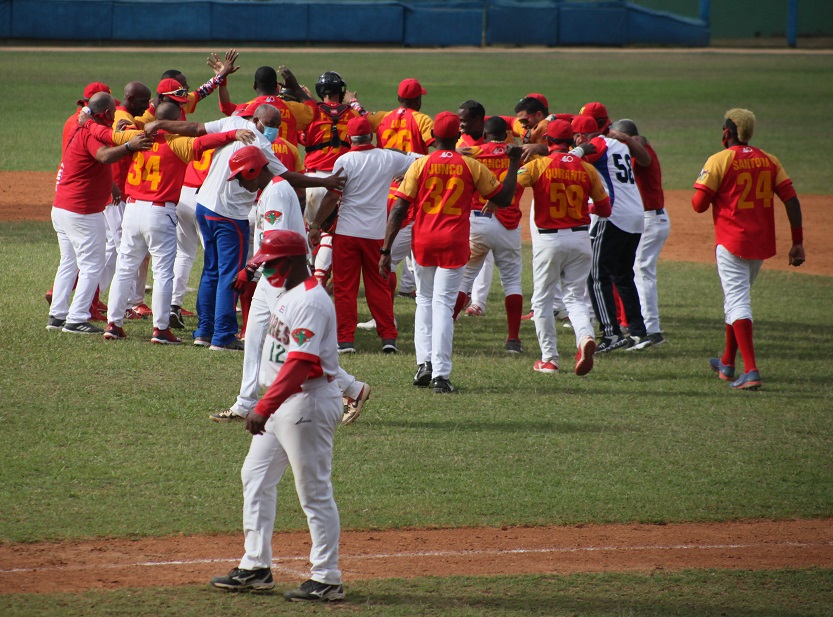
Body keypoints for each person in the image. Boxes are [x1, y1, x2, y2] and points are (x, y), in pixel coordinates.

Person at [209, 230, 346, 602]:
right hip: (282, 402)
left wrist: (263, 406)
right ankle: (256, 567)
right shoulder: (290, 295)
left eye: (271, 264)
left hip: (306, 404)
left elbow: (302, 364)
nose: (266, 270)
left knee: (313, 491)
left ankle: (327, 578)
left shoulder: (312, 302)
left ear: (292, 262)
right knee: (254, 476)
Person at [148, 105, 344, 351]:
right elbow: (286, 177)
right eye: (270, 123)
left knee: (211, 270)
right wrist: (324, 181)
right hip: (230, 215)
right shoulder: (261, 145)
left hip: (205, 206)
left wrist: (161, 124)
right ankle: (223, 336)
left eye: (276, 125)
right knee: (230, 274)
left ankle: (204, 331)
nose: (272, 130)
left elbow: (195, 128)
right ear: (256, 119)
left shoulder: (233, 124)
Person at [210, 148, 370, 426]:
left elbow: (276, 241)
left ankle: (353, 389)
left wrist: (249, 268)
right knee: (256, 339)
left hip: (285, 276)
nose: (238, 182)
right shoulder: (271, 189)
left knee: (296, 340)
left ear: (252, 170)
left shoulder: (277, 193)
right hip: (271, 275)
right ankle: (245, 403)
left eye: (239, 176)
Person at [88, 102, 254, 343]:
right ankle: (161, 328)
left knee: (124, 269)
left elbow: (105, 134)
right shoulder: (177, 143)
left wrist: (87, 122)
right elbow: (206, 140)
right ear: (176, 121)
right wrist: (234, 133)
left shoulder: (136, 135)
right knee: (164, 272)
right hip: (159, 212)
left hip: (132, 210)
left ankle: (113, 324)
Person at [379, 111, 521, 393]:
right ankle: (440, 375)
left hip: (423, 240)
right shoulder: (470, 165)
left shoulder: (420, 165)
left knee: (424, 301)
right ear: (458, 134)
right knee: (443, 305)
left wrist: (386, 249)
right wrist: (514, 163)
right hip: (454, 242)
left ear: (434, 139)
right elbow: (503, 198)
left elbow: (399, 208)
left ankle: (424, 364)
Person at [693, 108, 804, 390]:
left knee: (738, 302)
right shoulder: (769, 159)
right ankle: (727, 363)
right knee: (736, 299)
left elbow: (698, 204)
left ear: (727, 132)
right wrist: (797, 241)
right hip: (760, 244)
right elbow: (791, 199)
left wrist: (715, 188)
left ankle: (751, 371)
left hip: (732, 242)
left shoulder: (720, 160)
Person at [310, 115, 421, 354]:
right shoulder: (388, 157)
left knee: (345, 288)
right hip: (376, 235)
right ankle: (389, 338)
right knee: (379, 287)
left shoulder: (345, 160)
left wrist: (316, 224)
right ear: (370, 136)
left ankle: (346, 340)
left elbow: (332, 196)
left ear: (349, 138)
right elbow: (420, 161)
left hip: (347, 234)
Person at [48, 92, 151, 334]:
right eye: (113, 113)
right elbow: (103, 155)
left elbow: (92, 160)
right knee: (92, 265)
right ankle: (76, 318)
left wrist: (111, 185)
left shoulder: (80, 125)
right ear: (105, 114)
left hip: (62, 207)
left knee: (69, 262)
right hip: (81, 211)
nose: (115, 116)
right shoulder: (90, 133)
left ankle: (57, 314)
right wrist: (128, 146)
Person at [516, 119, 611, 375]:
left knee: (543, 300)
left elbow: (514, 185)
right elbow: (605, 209)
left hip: (549, 240)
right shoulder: (586, 169)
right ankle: (584, 337)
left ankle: (550, 359)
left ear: (547, 142)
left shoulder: (538, 165)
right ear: (572, 141)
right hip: (580, 239)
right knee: (575, 297)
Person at [572, 105, 652, 352]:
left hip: (613, 217)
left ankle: (611, 334)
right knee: (623, 275)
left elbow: (569, 160)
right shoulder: (619, 144)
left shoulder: (598, 145)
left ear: (581, 137)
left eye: (575, 136)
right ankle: (638, 332)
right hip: (635, 216)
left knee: (596, 276)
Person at [452, 116, 525, 354]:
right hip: (509, 224)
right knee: (512, 282)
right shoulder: (519, 153)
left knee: (464, 279)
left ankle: (447, 329)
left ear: (484, 133)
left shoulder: (472, 152)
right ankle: (513, 340)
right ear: (506, 134)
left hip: (478, 222)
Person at [610, 118, 670, 348]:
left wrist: (625, 138)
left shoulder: (642, 150)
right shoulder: (632, 151)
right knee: (635, 269)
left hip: (651, 219)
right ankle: (640, 326)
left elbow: (641, 147)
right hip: (648, 218)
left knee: (641, 270)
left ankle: (652, 330)